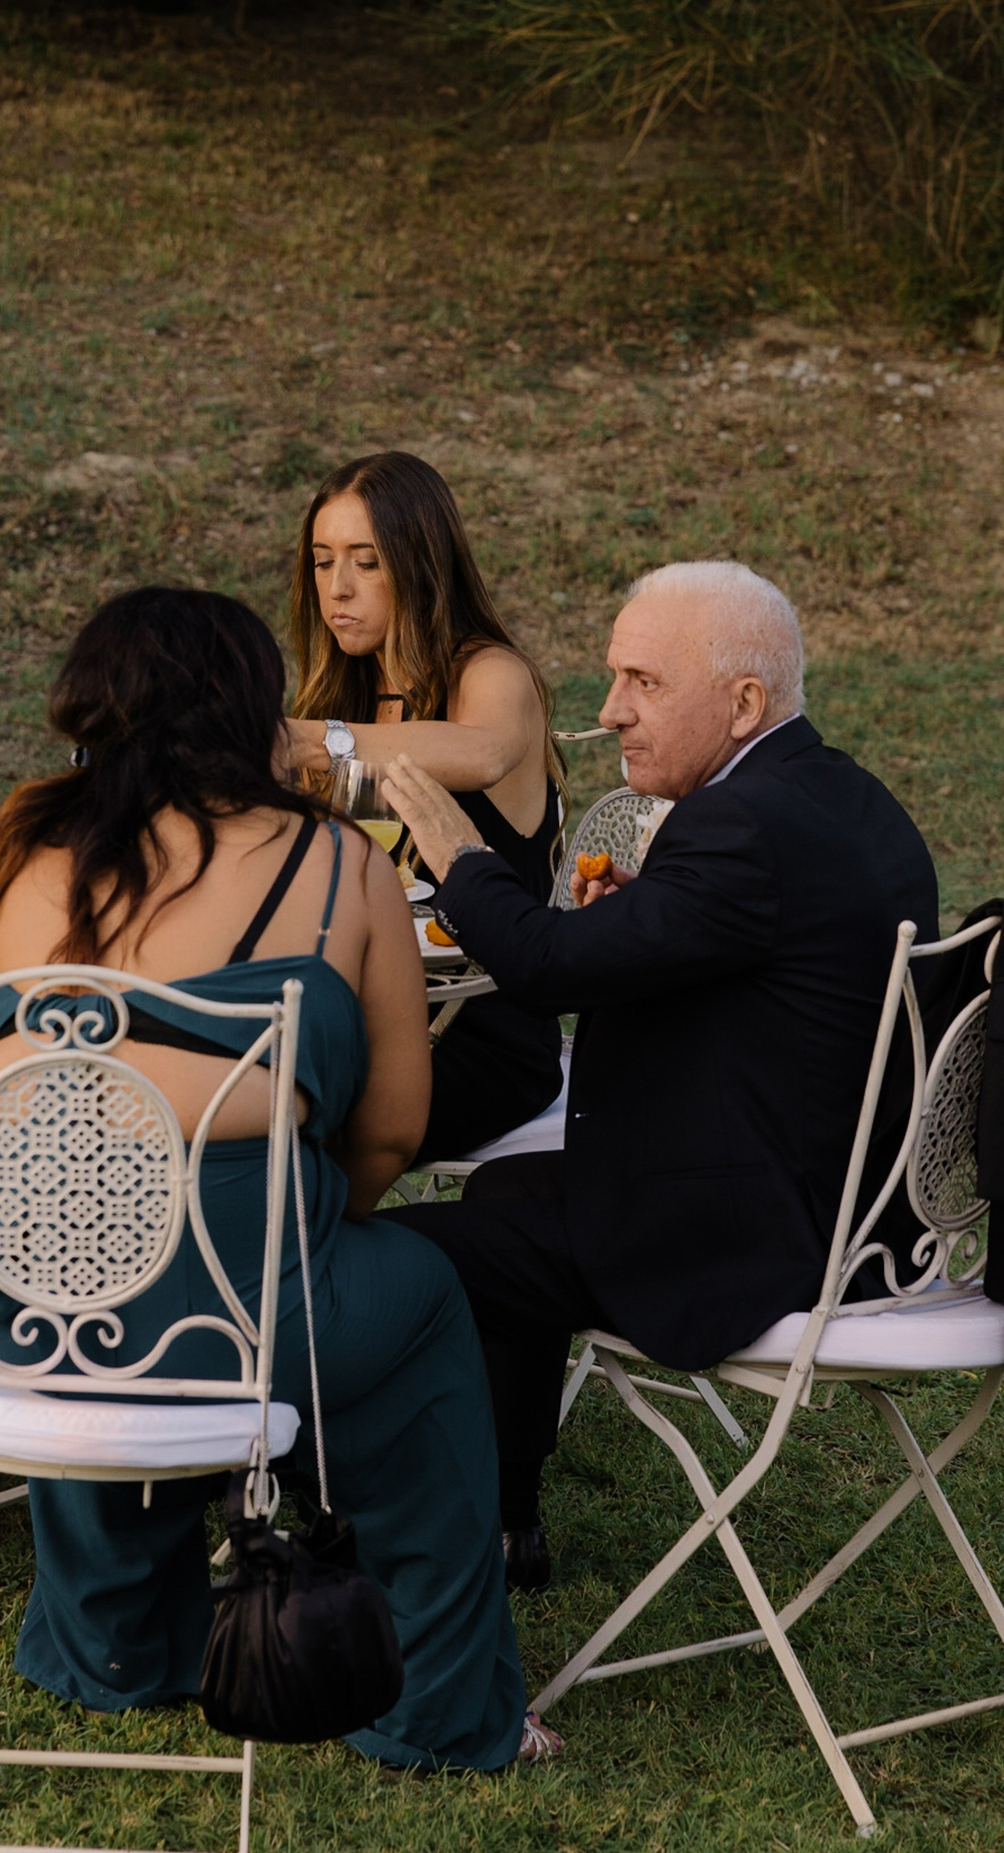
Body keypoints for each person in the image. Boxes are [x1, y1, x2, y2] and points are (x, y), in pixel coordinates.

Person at [0, 586, 535, 1772]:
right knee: (419, 1299)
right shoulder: (334, 866)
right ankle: (432, 1703)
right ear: (256, 710)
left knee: (101, 1259)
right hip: (243, 1313)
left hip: (13, 1312)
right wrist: (317, 1223)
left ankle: (117, 1646)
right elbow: (392, 1132)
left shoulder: (11, 851)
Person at [380, 558, 939, 1590]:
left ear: (744, 704)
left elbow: (544, 968)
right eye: (614, 678)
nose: (610, 711)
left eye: (643, 682)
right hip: (845, 1210)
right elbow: (760, 967)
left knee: (390, 1256)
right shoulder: (838, 795)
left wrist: (460, 853)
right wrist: (648, 914)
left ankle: (366, 1529)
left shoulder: (741, 826)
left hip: (746, 1240)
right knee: (504, 1191)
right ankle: (503, 1526)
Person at [286, 450, 566, 1162]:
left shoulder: (491, 674)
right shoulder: (346, 698)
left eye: (367, 561)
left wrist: (310, 741)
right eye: (322, 562)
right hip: (358, 1020)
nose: (338, 587)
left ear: (421, 564)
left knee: (287, 1134)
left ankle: (332, 1234)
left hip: (481, 1039)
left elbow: (483, 752)